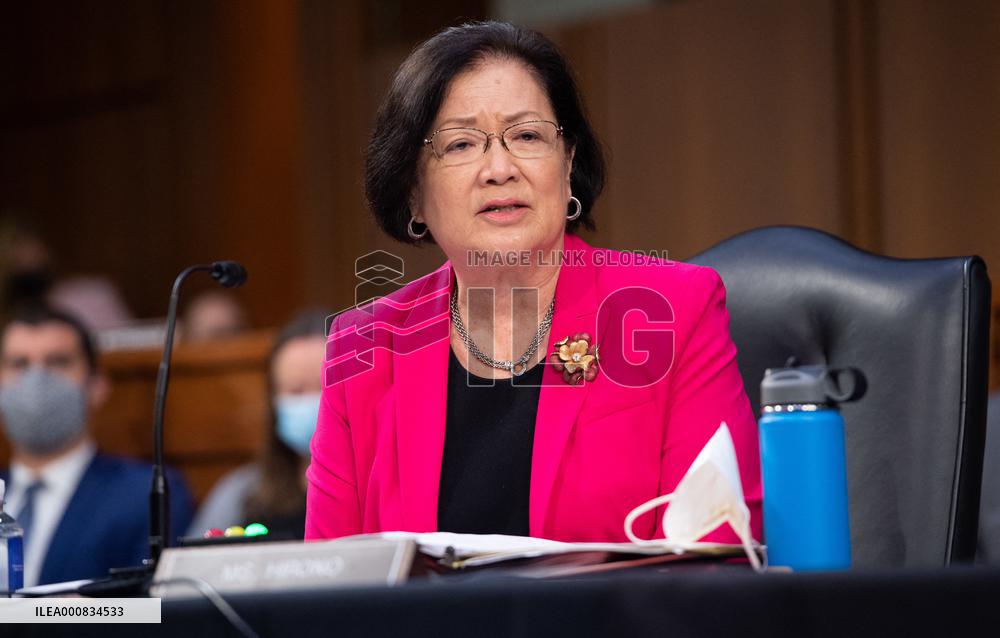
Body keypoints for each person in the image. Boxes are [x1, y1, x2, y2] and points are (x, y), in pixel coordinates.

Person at [306, 22, 761, 543]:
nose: (500, 168)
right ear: (413, 193)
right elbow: (328, 581)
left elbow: (717, 550)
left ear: (567, 164)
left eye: (527, 136)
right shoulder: (363, 348)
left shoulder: (671, 310)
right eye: (460, 145)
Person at [0, 306, 194, 586]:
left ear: (97, 386)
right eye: (19, 364)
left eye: (57, 362)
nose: (36, 380)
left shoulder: (146, 494)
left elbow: (149, 611)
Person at [189, 310, 328, 539]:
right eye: (296, 390)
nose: (313, 401)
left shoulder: (387, 492)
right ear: (274, 401)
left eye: (325, 388)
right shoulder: (240, 495)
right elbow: (191, 569)